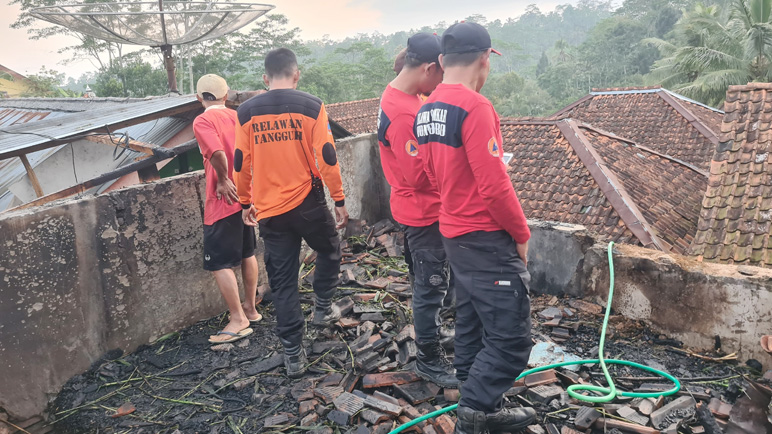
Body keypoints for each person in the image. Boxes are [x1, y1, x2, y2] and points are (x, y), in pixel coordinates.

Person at [414, 22, 536, 433]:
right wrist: (521, 233)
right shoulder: (475, 107)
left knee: (471, 320)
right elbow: (494, 185)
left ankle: (473, 389)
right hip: (484, 236)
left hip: (452, 232)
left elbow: (431, 175)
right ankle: (478, 413)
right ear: (485, 60)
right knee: (511, 338)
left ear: (443, 61)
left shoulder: (426, 109)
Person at [234, 48, 349, 378]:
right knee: (329, 249)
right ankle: (323, 308)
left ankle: (293, 356)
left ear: (265, 79)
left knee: (283, 284)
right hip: (308, 204)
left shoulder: (246, 112)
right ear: (296, 74)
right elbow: (327, 156)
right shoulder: (311, 106)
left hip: (269, 211)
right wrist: (339, 200)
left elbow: (241, 163)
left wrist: (245, 203)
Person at [377, 33, 458, 388]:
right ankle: (428, 358)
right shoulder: (403, 112)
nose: (440, 83)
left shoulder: (403, 95)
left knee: (432, 283)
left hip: (416, 208)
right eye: (439, 74)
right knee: (430, 287)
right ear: (428, 68)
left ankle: (436, 336)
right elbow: (418, 174)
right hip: (424, 213)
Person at [192, 74, 262, 345]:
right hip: (246, 195)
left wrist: (222, 180)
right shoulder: (237, 117)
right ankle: (250, 309)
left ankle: (237, 319)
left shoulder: (203, 120)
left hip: (223, 199)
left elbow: (218, 153)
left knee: (219, 262)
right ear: (225, 95)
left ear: (199, 97)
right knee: (247, 252)